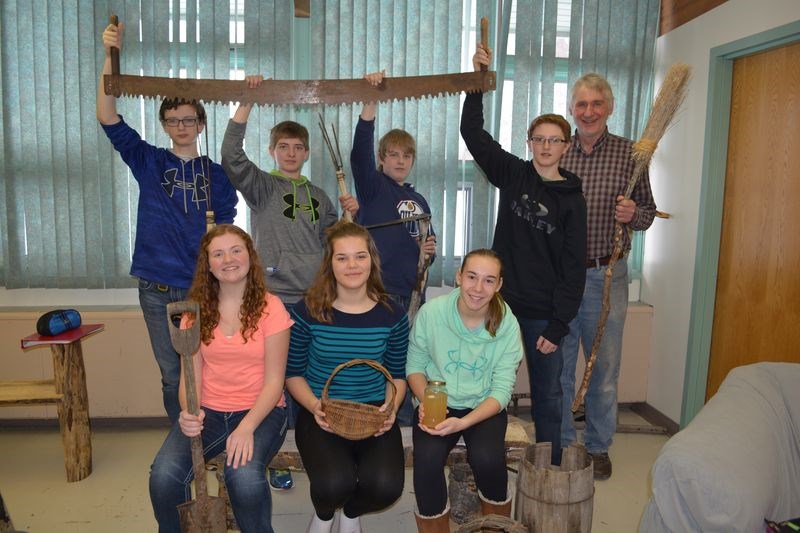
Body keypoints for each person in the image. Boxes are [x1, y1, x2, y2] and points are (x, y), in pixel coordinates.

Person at [221, 75, 359, 491]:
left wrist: (350, 216)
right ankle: (273, 456)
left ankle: (308, 452)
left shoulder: (319, 194)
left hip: (314, 300)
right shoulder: (263, 186)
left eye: (298, 148)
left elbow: (336, 241)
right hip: (273, 299)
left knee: (306, 376)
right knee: (273, 380)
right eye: (284, 147)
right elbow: (230, 156)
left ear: (307, 152)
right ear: (273, 150)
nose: (291, 153)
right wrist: (246, 101)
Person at [96, 22, 238, 424]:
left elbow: (225, 233)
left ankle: (213, 439)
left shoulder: (218, 174)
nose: (181, 126)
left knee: (210, 369)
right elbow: (107, 116)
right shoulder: (149, 161)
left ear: (201, 125)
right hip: (157, 289)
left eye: (189, 120)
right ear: (164, 125)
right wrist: (109, 56)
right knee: (171, 373)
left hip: (199, 287)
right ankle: (183, 439)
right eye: (173, 120)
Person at [463, 45, 587, 466]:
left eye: (555, 140)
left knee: (548, 397)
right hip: (497, 303)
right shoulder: (514, 174)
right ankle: (477, 456)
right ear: (530, 142)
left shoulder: (572, 198)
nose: (546, 146)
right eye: (539, 139)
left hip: (543, 314)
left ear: (567, 146)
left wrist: (558, 325)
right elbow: (473, 136)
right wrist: (478, 83)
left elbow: (573, 267)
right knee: (478, 382)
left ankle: (549, 471)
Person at [148, 224, 291, 533]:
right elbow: (191, 378)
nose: (228, 259)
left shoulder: (272, 308)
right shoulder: (195, 313)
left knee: (244, 478)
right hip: (209, 411)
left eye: (236, 250)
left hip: (261, 411)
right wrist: (188, 411)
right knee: (163, 476)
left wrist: (246, 427)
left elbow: (274, 381)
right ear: (208, 264)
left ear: (250, 257)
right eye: (218, 253)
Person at [558, 73, 657, 480]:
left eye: (596, 104)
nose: (588, 111)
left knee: (604, 370)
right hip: (560, 279)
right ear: (571, 110)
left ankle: (598, 447)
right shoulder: (556, 153)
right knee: (559, 367)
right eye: (581, 104)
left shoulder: (632, 155)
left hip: (607, 274)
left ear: (610, 107)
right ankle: (563, 443)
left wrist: (635, 215)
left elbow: (649, 213)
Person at [285, 221, 408, 533]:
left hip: (373, 412)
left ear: (372, 260)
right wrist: (314, 406)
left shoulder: (392, 313)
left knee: (386, 487)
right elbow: (293, 373)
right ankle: (325, 515)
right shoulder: (307, 310)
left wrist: (390, 409)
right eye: (342, 258)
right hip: (321, 411)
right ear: (330, 263)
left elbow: (396, 374)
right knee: (332, 484)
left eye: (360, 256)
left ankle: (351, 513)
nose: (352, 265)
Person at [406, 249, 524, 530]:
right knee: (427, 460)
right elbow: (414, 367)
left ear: (499, 285)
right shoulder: (431, 313)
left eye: (488, 280)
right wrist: (427, 401)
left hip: (483, 407)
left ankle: (495, 527)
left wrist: (464, 421)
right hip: (436, 401)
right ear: (459, 277)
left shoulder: (506, 324)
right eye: (472, 277)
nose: (478, 288)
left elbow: (501, 390)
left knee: (488, 458)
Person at [350, 70, 436, 426]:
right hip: (380, 293)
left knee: (404, 364)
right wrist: (371, 100)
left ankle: (400, 430)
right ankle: (370, 424)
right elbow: (358, 153)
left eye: (407, 156)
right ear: (383, 158)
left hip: (412, 294)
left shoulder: (417, 197)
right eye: (393, 155)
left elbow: (424, 243)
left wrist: (429, 251)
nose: (400, 161)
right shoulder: (374, 189)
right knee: (377, 365)